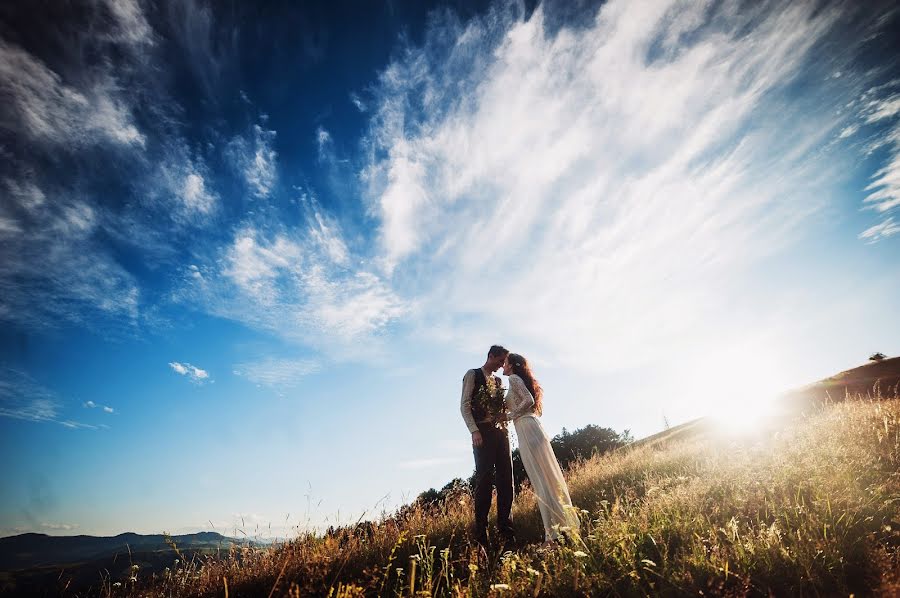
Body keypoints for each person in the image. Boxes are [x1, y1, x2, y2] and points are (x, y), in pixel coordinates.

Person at [503, 352, 579, 543]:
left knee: (540, 480)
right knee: (547, 479)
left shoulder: (513, 378)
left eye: (505, 363)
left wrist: (509, 416)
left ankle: (551, 538)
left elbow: (528, 400)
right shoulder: (517, 379)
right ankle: (563, 530)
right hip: (530, 428)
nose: (503, 366)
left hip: (527, 430)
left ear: (511, 365)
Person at [460, 345, 515, 547]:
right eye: (500, 361)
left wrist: (506, 419)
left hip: (501, 433)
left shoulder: (499, 381)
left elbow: (502, 407)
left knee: (506, 479)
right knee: (484, 481)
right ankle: (481, 535)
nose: (502, 366)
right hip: (482, 432)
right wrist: (474, 430)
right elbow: (465, 404)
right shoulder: (472, 374)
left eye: (504, 362)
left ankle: (506, 530)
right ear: (490, 356)